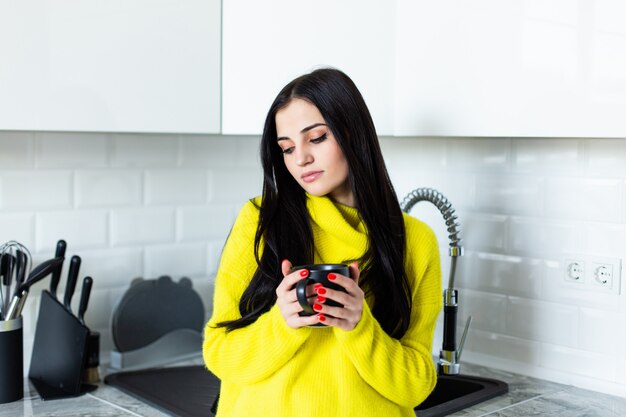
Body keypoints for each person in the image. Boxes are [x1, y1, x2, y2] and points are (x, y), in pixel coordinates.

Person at [202, 67, 442, 417]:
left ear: (353, 133)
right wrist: (282, 321)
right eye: (286, 148)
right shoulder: (259, 220)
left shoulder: (416, 242)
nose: (300, 159)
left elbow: (417, 386)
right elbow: (219, 353)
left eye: (316, 139)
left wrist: (359, 326)